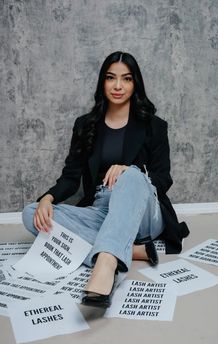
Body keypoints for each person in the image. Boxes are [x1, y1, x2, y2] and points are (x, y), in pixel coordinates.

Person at [22, 51, 189, 308]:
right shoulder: (85, 125)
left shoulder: (154, 126)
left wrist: (129, 171)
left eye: (127, 79)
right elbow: (70, 177)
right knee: (32, 213)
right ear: (103, 81)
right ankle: (132, 251)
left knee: (132, 174)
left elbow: (163, 178)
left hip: (143, 211)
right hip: (102, 210)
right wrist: (48, 197)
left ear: (136, 84)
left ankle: (107, 263)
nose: (118, 86)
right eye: (111, 78)